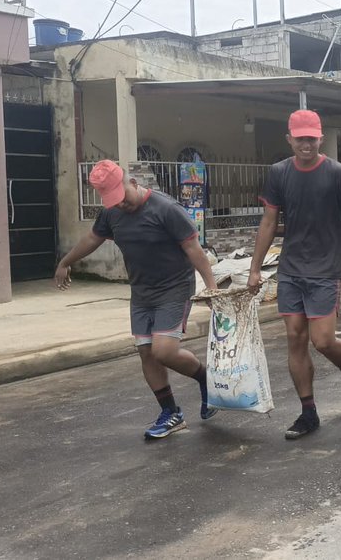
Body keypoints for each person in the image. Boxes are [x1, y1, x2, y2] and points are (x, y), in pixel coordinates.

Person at [247, 109, 341, 440]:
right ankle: (308, 412)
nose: (306, 144)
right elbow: (268, 222)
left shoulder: (337, 174)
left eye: (311, 138)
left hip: (325, 269)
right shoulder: (279, 173)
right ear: (290, 139)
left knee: (322, 340)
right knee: (295, 338)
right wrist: (254, 268)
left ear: (320, 138)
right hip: (292, 268)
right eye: (300, 138)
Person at [55, 160, 219, 440]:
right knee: (146, 353)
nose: (120, 205)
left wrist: (212, 288)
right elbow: (92, 239)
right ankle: (171, 413)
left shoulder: (166, 209)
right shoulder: (111, 214)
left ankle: (206, 380)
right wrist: (65, 262)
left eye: (122, 198)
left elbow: (193, 249)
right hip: (141, 292)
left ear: (131, 182)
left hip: (174, 288)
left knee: (164, 351)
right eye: (113, 202)